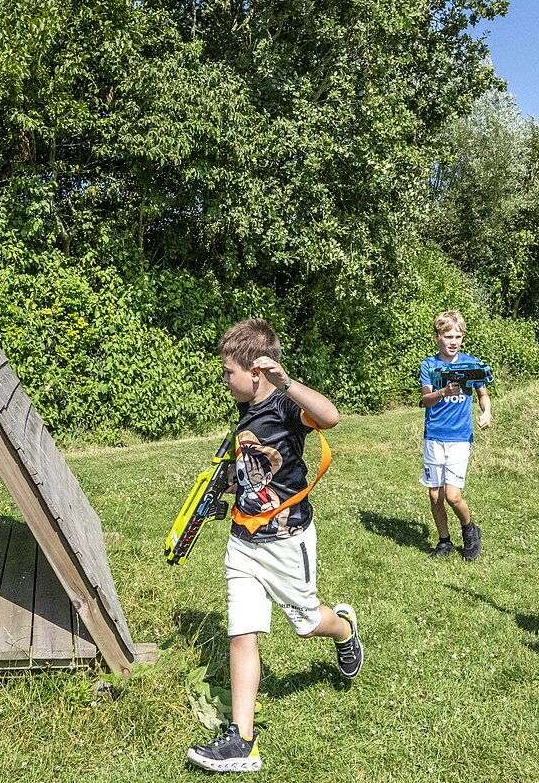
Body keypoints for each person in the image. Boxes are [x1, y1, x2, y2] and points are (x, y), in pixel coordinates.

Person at [185, 319, 362, 774]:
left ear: (258, 371)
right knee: (242, 631)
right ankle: (242, 741)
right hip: (243, 541)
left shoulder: (285, 405)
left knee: (306, 622)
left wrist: (289, 381)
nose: (225, 380)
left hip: (286, 541)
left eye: (230, 372)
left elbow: (331, 417)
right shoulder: (244, 411)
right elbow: (247, 468)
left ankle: (342, 629)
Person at [419, 310, 491, 560]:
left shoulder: (471, 364)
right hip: (434, 436)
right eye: (448, 336)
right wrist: (443, 392)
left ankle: (470, 530)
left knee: (452, 495)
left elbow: (483, 394)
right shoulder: (429, 365)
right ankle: (444, 541)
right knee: (435, 495)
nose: (453, 341)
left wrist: (487, 412)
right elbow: (425, 399)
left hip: (460, 437)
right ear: (437, 336)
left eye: (458, 336)